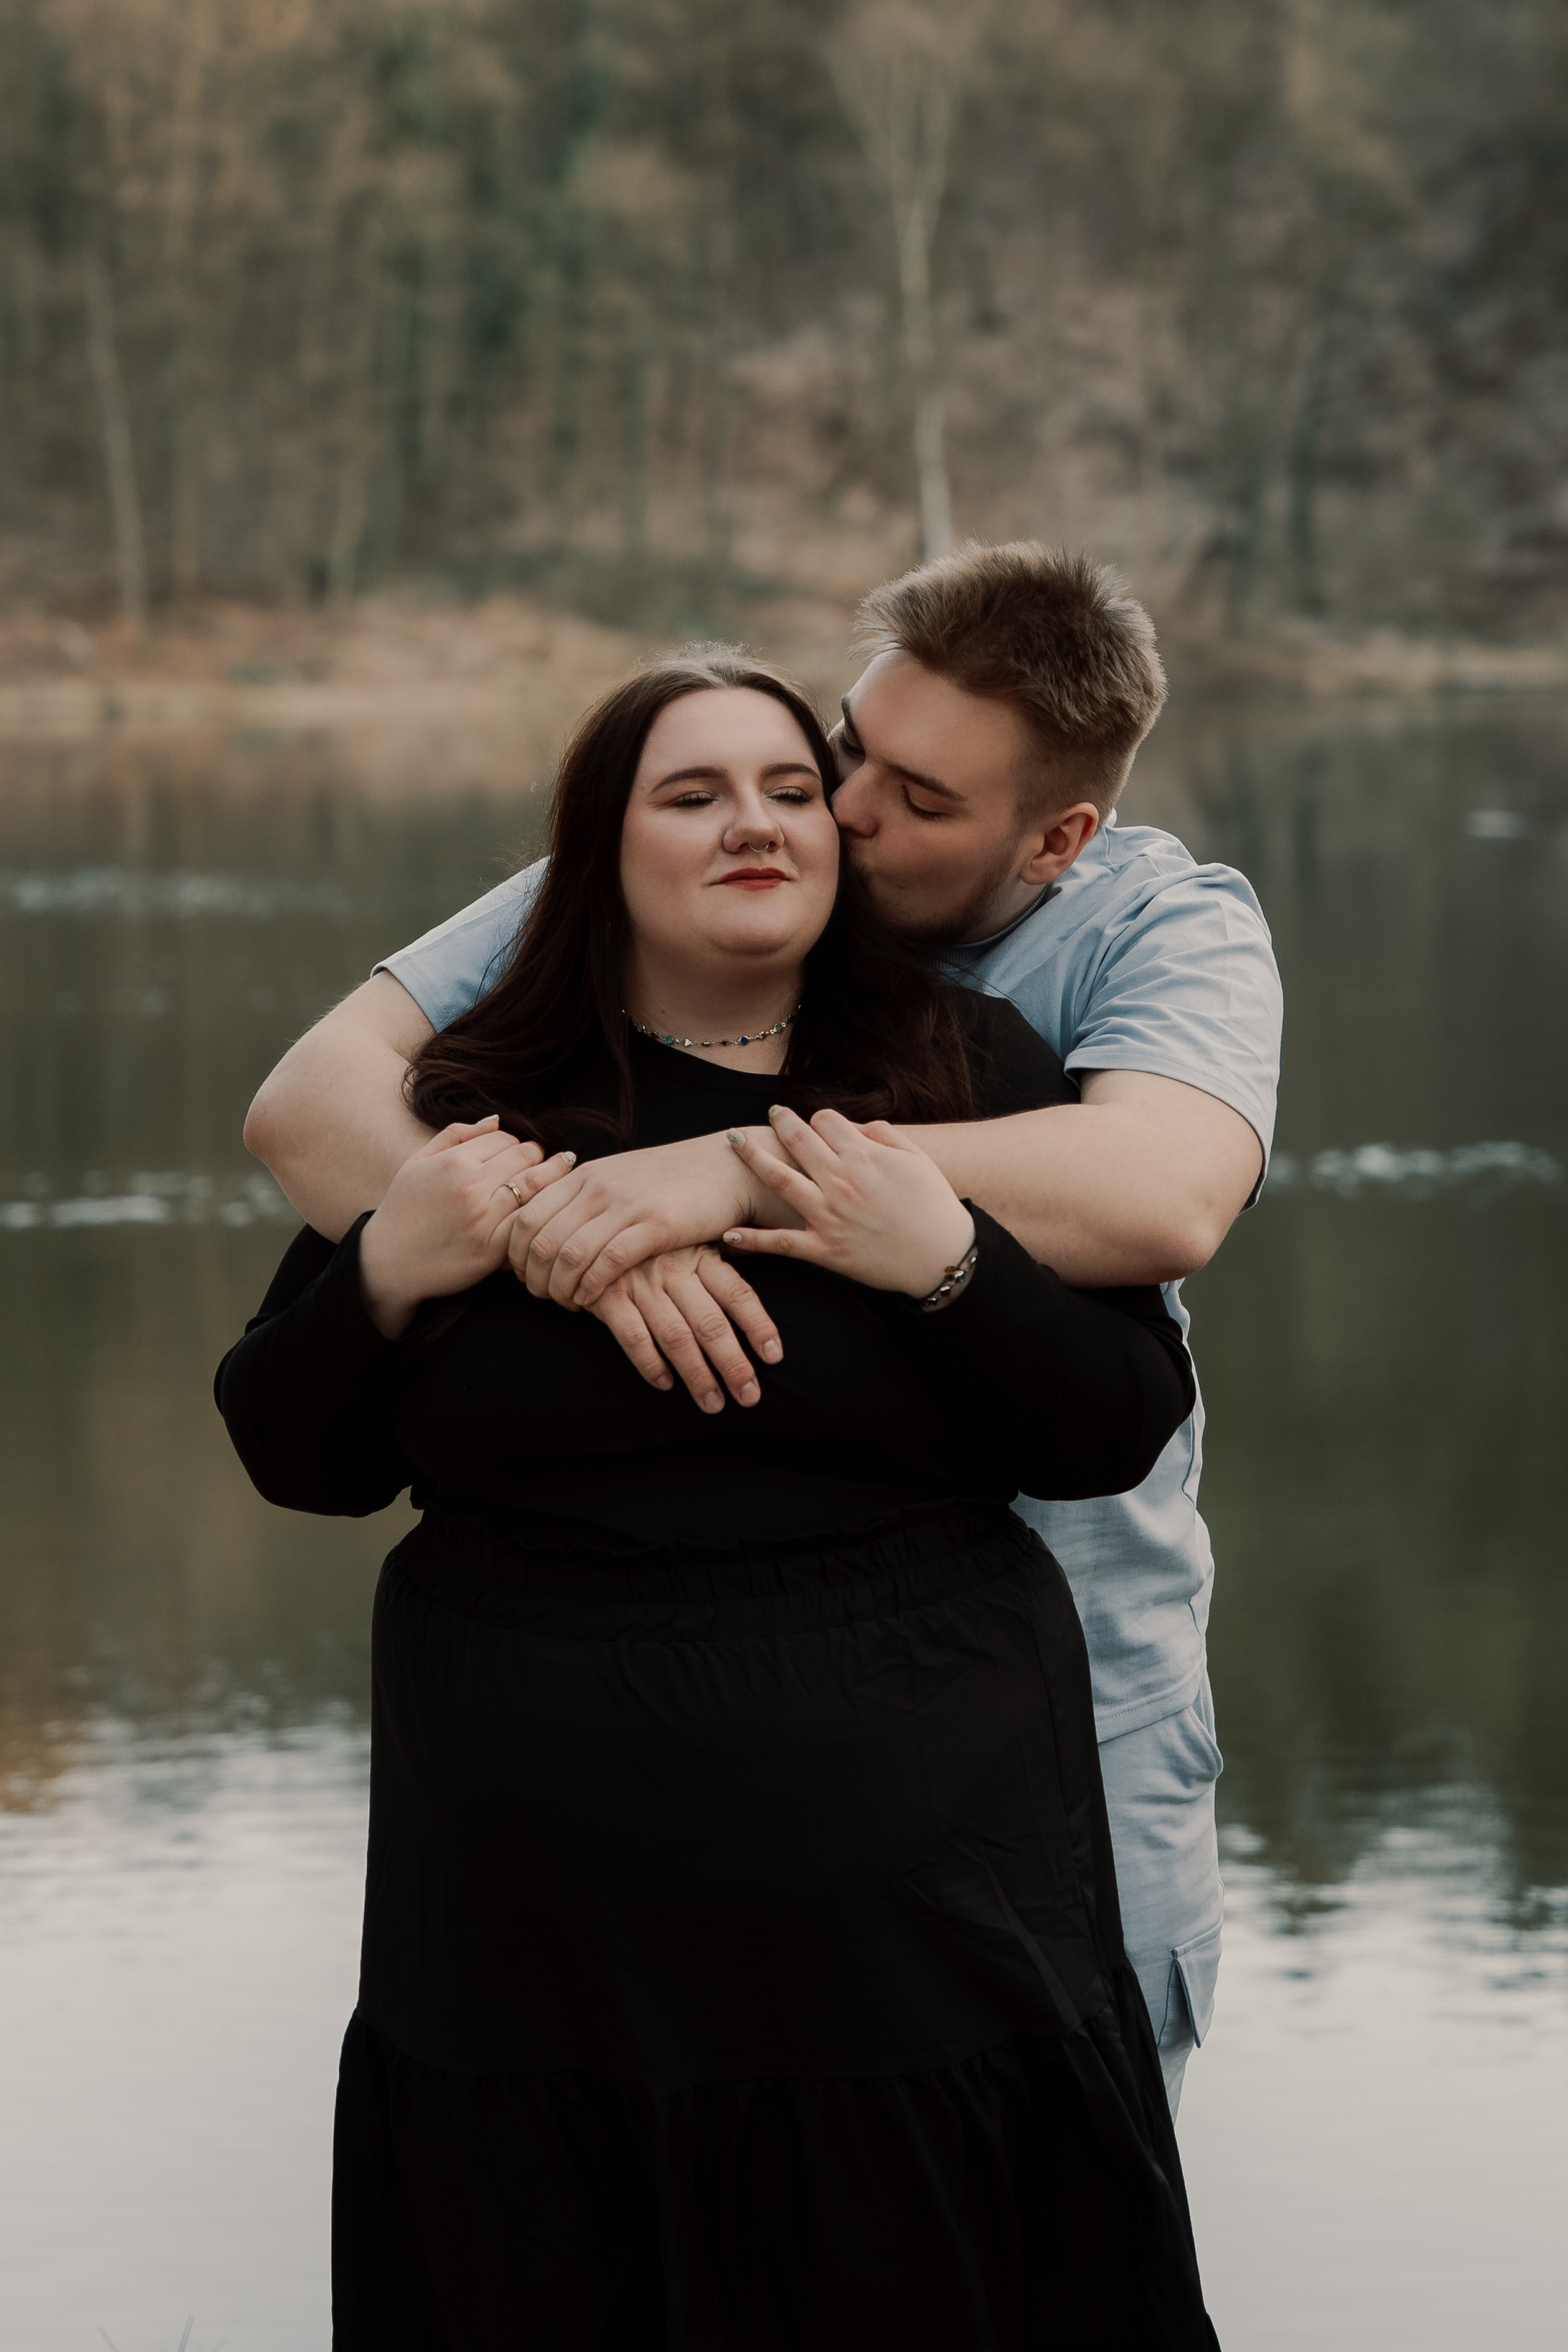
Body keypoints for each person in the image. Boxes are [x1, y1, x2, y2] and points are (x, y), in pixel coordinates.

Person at [217, 653, 1217, 2348]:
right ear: (595, 855)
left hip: (920, 1907)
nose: (756, 822)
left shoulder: (965, 1072)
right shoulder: (474, 1112)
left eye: (787, 788)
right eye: (692, 794)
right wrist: (390, 1261)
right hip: (533, 1928)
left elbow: (1113, 1421)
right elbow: (296, 1452)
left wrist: (948, 1262)